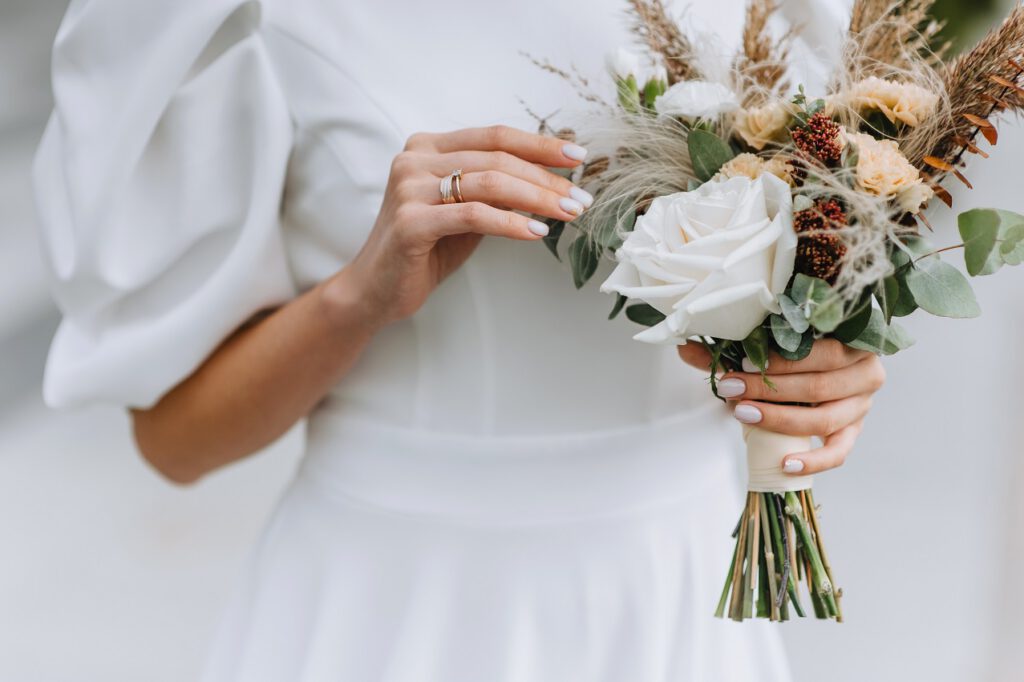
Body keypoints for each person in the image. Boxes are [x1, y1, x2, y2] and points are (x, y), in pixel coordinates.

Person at [34, 0, 883, 679]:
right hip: (397, 606)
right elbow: (175, 441)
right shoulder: (248, 18)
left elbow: (820, 249)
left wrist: (827, 368)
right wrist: (358, 296)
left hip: (676, 589)